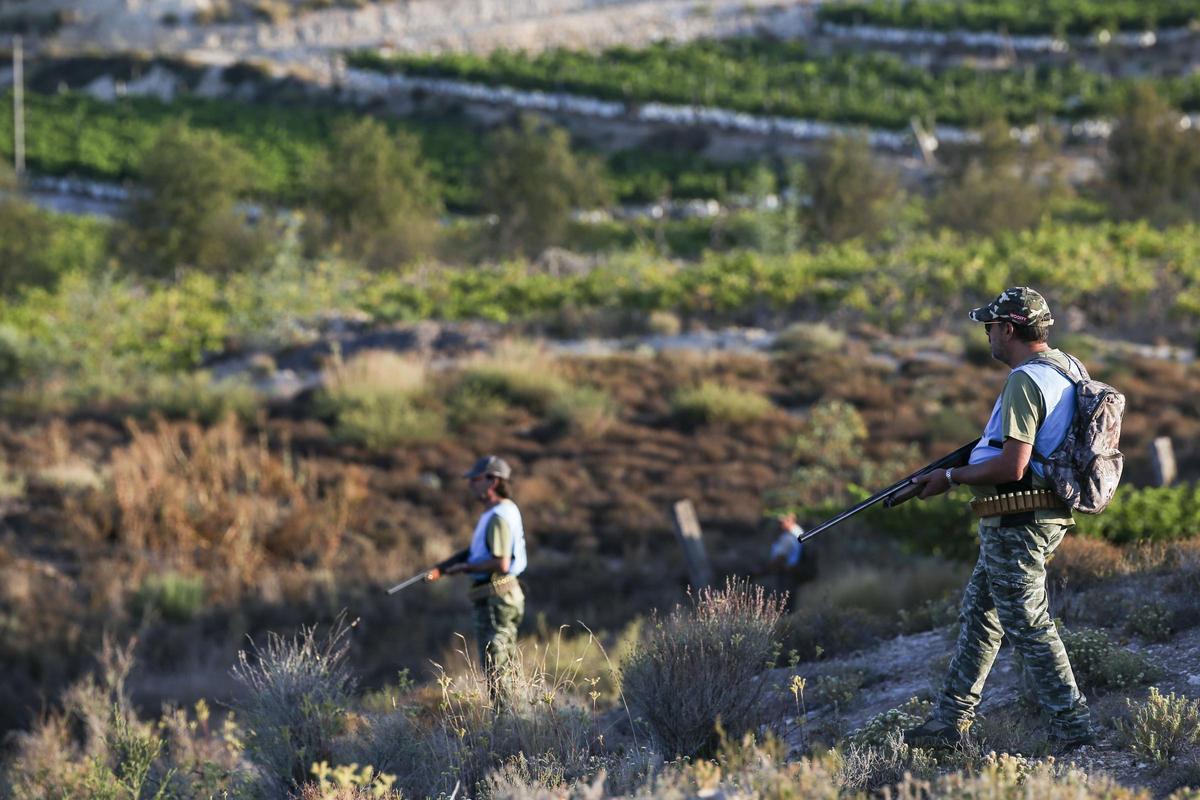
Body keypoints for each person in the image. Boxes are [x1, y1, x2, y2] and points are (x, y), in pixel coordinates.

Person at [903, 287, 1093, 751]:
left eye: (990, 327)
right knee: (981, 618)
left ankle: (1075, 729)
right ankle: (950, 721)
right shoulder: (1068, 367)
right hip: (1035, 514)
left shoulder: (1025, 381)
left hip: (1019, 517)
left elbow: (1013, 466)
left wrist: (950, 475)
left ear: (1008, 329)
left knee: (1027, 623)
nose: (987, 335)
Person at [426, 455, 527, 702]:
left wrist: (464, 568)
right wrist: (444, 567)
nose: (471, 484)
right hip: (500, 597)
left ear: (493, 481)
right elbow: (478, 552)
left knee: (497, 666)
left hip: (496, 600)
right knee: (503, 665)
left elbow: (500, 562)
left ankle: (508, 725)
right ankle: (514, 721)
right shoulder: (498, 512)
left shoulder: (498, 516)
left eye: (476, 479)